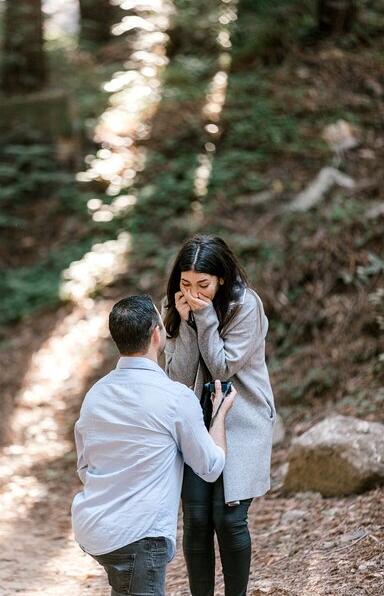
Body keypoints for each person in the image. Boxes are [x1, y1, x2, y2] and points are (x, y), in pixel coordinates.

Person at [71, 294, 235, 596]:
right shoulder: (174, 397)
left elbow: (85, 466)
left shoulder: (95, 394)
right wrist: (220, 415)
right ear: (156, 334)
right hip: (139, 534)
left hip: (93, 526)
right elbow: (210, 467)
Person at [163, 234, 276, 596]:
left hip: (242, 418)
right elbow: (178, 378)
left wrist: (204, 317)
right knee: (196, 520)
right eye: (185, 283)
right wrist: (184, 326)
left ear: (222, 279)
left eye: (203, 285)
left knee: (229, 518)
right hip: (195, 421)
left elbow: (223, 368)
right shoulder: (179, 306)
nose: (193, 292)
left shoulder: (246, 306)